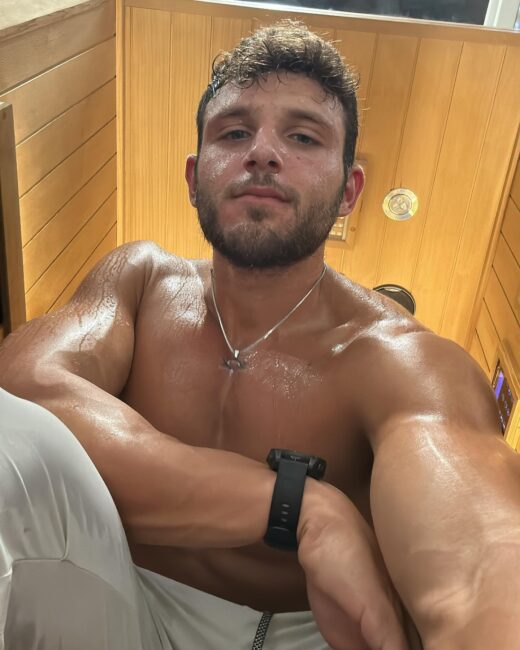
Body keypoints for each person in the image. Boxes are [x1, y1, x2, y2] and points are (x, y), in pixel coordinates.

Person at [0, 20, 518, 650]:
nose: (263, 153)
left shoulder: (399, 358)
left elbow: (481, 562)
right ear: (194, 177)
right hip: (124, 593)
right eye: (234, 132)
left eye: (302, 137)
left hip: (311, 629)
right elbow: (24, 388)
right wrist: (300, 507)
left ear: (349, 190)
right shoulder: (142, 278)